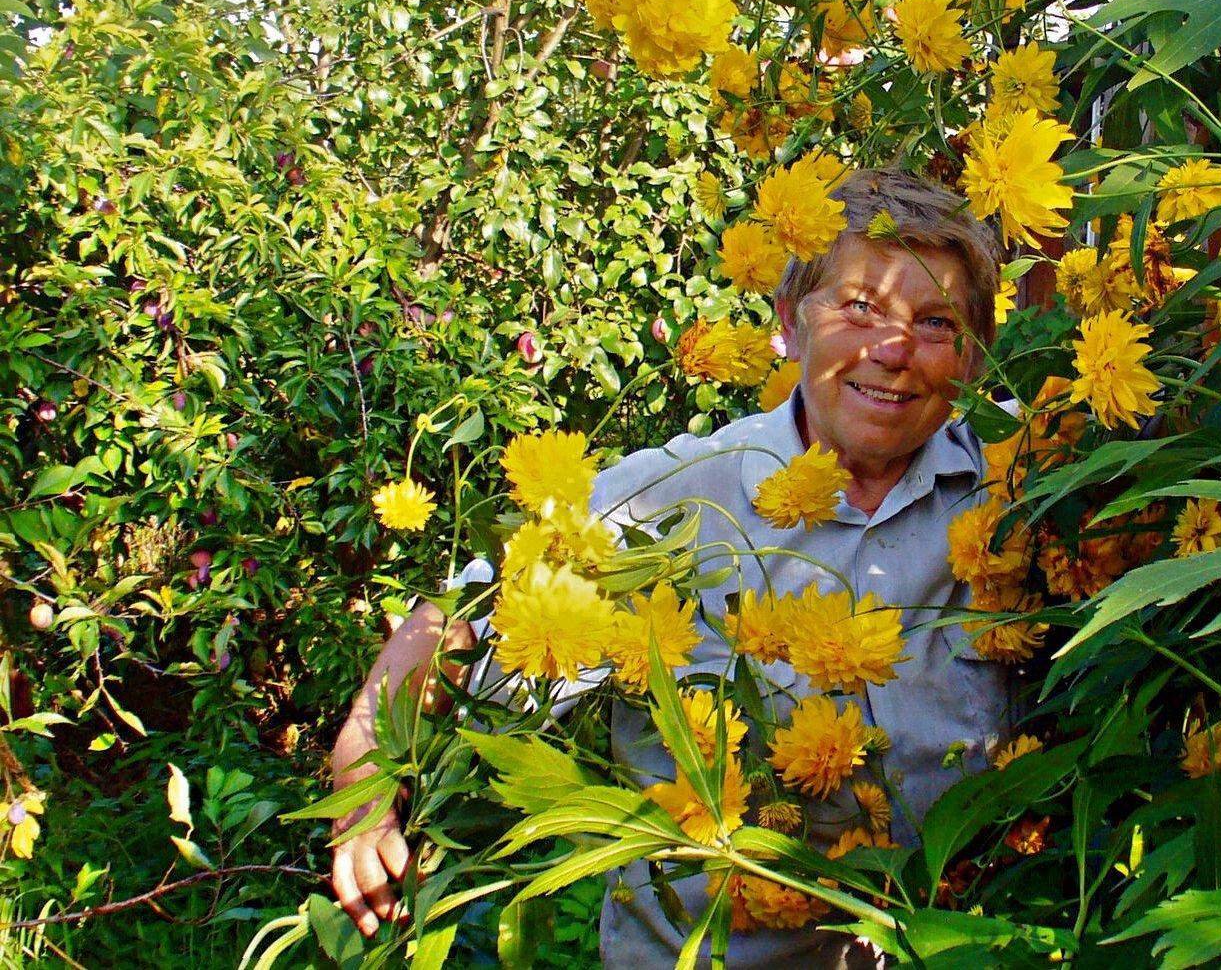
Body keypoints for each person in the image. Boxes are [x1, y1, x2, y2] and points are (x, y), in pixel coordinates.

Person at [328, 168, 1016, 965]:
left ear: (971, 358)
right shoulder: (674, 500)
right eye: (859, 307)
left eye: (934, 321)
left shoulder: (1019, 482)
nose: (893, 350)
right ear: (791, 323)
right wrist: (365, 794)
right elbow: (457, 627)